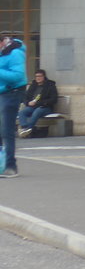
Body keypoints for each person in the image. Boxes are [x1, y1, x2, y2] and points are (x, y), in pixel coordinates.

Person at [0, 34, 29, 177]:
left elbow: (18, 75)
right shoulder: (3, 53)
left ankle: (11, 166)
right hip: (3, 92)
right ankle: (2, 163)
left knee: (7, 130)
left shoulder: (15, 52)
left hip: (12, 92)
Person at [17, 69, 57, 137]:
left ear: (44, 76)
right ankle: (24, 128)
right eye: (36, 76)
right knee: (22, 112)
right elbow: (25, 97)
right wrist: (28, 103)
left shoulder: (50, 86)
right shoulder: (33, 85)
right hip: (32, 106)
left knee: (37, 111)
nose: (38, 78)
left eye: (40, 76)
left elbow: (53, 99)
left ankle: (28, 128)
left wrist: (39, 103)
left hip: (45, 107)